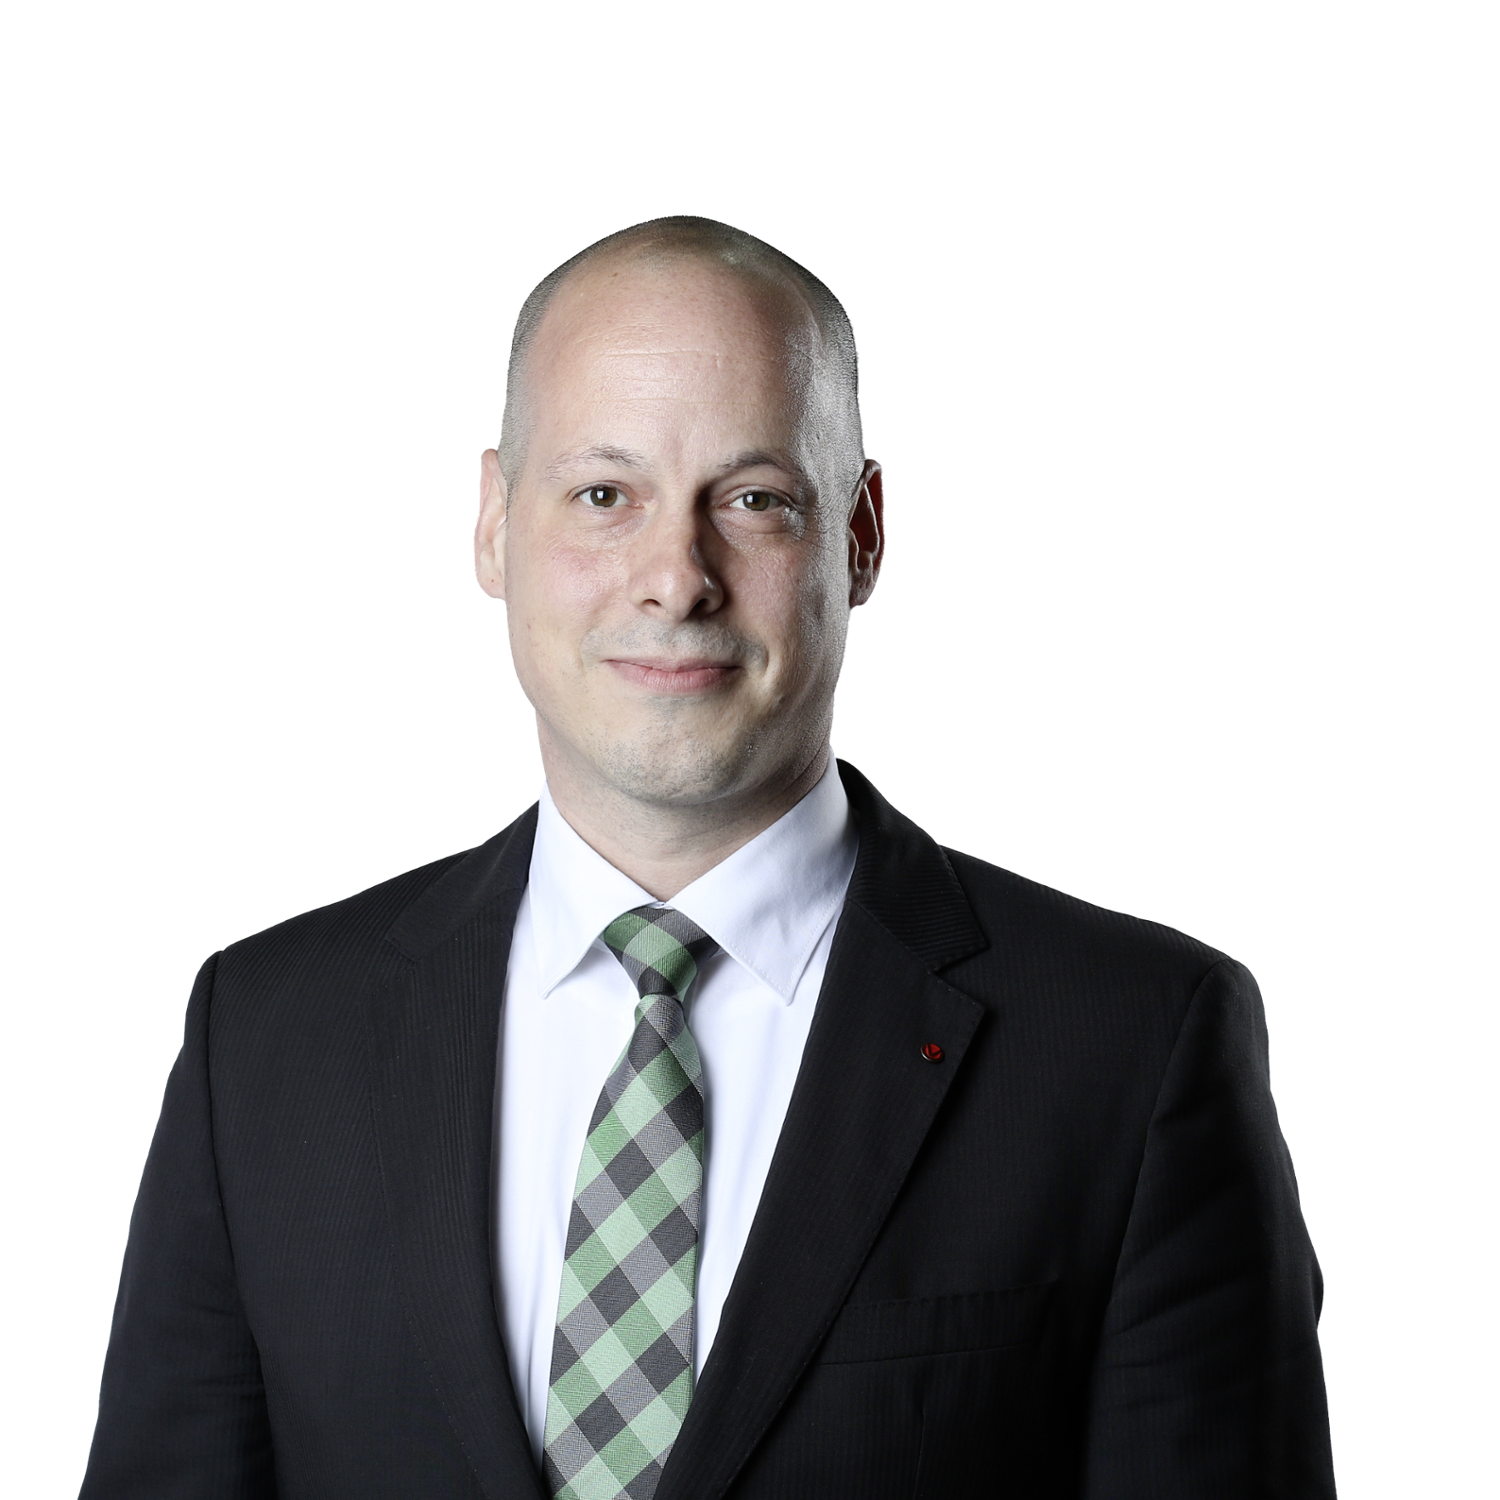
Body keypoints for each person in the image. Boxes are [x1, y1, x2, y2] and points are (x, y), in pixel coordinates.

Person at [82, 216, 1335, 1498]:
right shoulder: (262, 1036)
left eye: (754, 500)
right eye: (604, 494)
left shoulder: (1137, 1042)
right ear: (492, 525)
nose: (676, 579)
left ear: (861, 536)